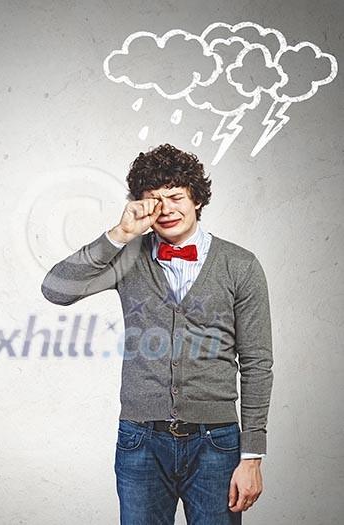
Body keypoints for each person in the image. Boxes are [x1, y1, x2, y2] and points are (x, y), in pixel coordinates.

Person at [41, 143, 273, 524]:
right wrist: (119, 234)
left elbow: (257, 363)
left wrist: (252, 455)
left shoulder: (240, 264)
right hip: (140, 440)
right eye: (153, 201)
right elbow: (55, 289)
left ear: (196, 199)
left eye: (176, 197)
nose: (166, 209)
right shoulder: (129, 256)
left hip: (216, 440)